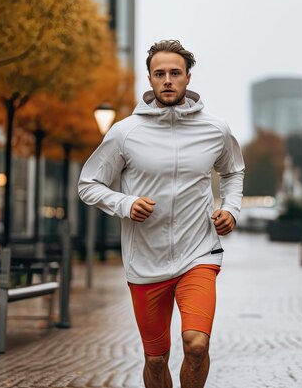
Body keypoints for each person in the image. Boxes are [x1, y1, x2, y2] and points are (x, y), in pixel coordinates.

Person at [78, 39, 244, 388]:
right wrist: (125, 203)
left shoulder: (215, 128)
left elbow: (233, 171)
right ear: (150, 80)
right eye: (160, 74)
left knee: (196, 344)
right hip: (145, 262)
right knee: (156, 359)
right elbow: (88, 184)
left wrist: (230, 207)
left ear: (187, 78)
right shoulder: (125, 132)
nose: (167, 80)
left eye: (175, 73)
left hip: (198, 254)